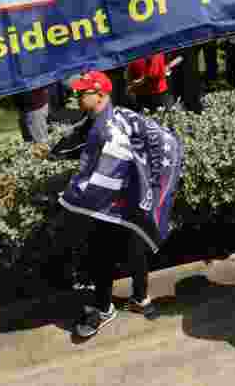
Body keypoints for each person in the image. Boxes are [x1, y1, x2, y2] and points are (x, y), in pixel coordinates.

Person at [61, 71, 184, 338]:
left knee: (100, 254)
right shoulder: (118, 115)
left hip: (113, 204)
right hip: (132, 201)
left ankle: (104, 309)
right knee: (134, 246)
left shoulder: (107, 129)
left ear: (101, 95)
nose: (78, 95)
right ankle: (140, 298)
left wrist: (77, 191)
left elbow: (106, 169)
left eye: (84, 92)